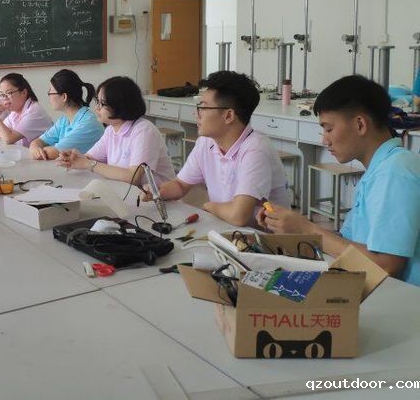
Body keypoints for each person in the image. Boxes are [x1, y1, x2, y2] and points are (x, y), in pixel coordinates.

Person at [259, 75, 420, 286]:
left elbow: (385, 266)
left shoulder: (395, 171)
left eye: (329, 129)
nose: (324, 140)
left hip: (402, 298)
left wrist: (306, 229)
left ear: (360, 124)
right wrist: (288, 228)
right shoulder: (379, 169)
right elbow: (346, 243)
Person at [141, 70, 291, 227]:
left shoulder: (256, 149)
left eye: (203, 107)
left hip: (262, 239)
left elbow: (238, 216)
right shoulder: (206, 143)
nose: (197, 114)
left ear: (228, 116)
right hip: (226, 228)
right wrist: (157, 191)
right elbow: (180, 185)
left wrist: (208, 206)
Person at [57, 76, 175, 186]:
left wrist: (89, 164)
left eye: (102, 104)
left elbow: (134, 177)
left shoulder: (144, 130)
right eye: (97, 101)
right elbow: (90, 158)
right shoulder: (111, 130)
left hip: (158, 198)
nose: (96, 108)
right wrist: (74, 158)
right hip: (126, 193)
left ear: (119, 105)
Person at [29, 69, 104, 160]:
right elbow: (38, 141)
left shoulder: (88, 123)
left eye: (50, 92)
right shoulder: (64, 120)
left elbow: (53, 153)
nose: (49, 97)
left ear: (64, 97)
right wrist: (35, 147)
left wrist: (37, 150)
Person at [0, 73, 52, 147]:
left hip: (45, 153)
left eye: (9, 93)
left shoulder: (34, 111)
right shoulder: (16, 111)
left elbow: (9, 139)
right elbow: (1, 129)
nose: (5, 98)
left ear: (24, 93)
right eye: (2, 94)